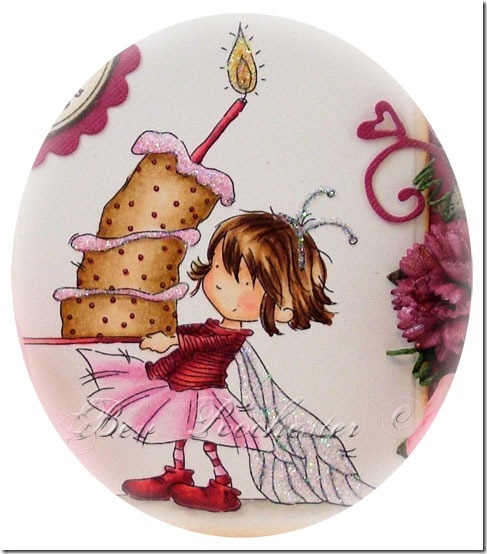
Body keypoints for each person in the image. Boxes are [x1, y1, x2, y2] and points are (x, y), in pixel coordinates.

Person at [81, 194, 372, 512]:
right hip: (181, 387)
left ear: (282, 303)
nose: (218, 281)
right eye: (217, 266)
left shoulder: (233, 336)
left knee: (209, 441)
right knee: (179, 433)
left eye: (241, 281)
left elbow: (204, 344)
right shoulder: (212, 326)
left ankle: (222, 486)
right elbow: (196, 336)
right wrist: (159, 366)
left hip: (207, 395)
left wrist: (173, 340)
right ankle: (176, 475)